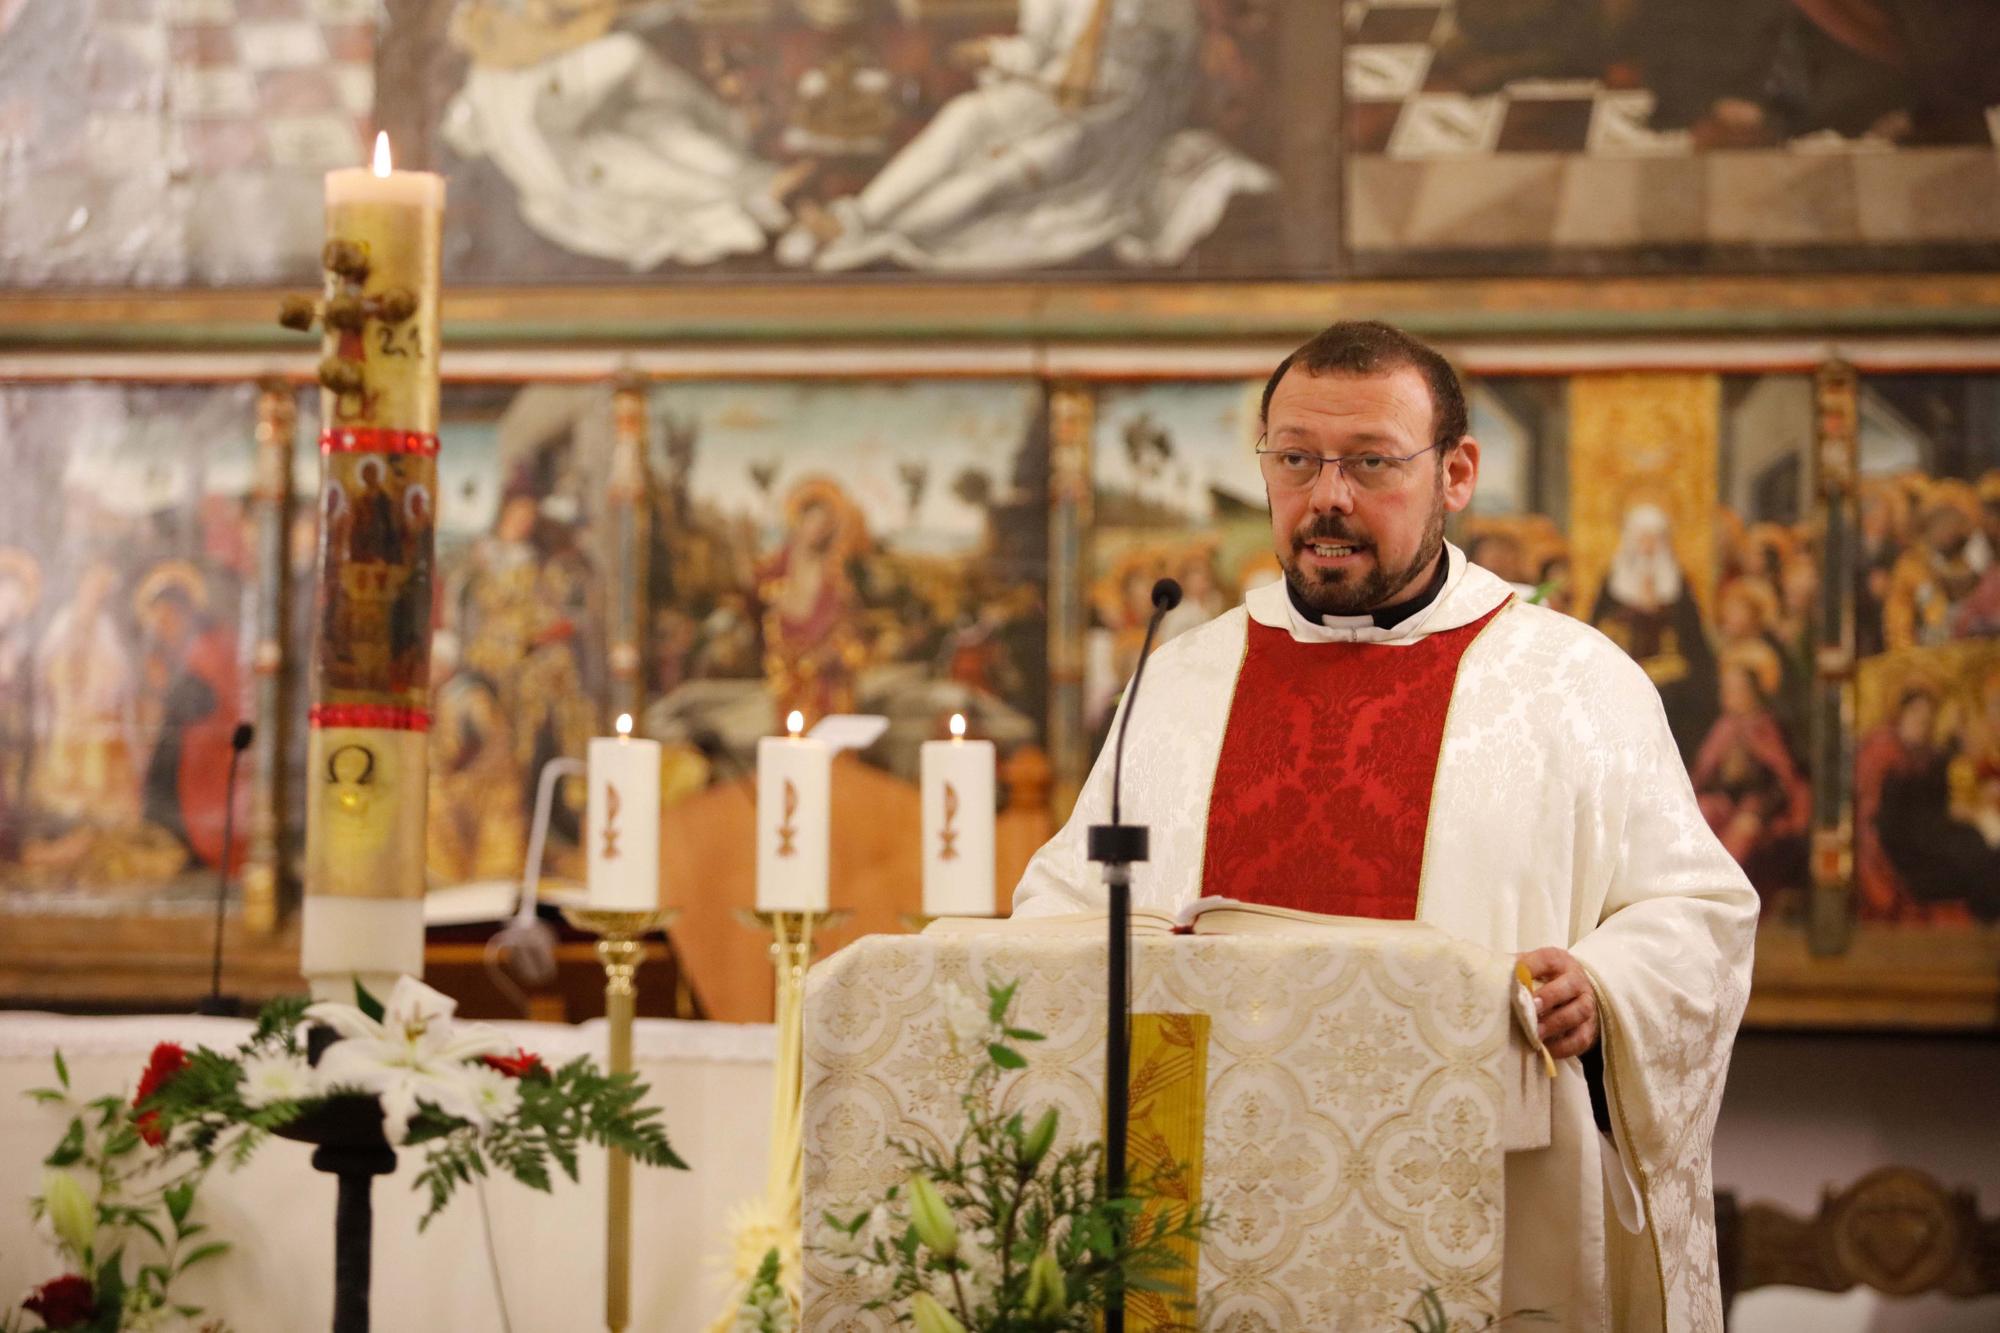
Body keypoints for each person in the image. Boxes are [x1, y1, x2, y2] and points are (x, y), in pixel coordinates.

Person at [1013, 321, 1757, 1331]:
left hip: (1475, 1196)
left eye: (1370, 462)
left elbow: (1697, 907)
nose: (1326, 496)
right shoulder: (1181, 684)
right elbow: (1059, 910)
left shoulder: (1572, 684)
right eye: (1295, 460)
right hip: (1206, 1208)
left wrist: (1606, 985)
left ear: (1454, 474)